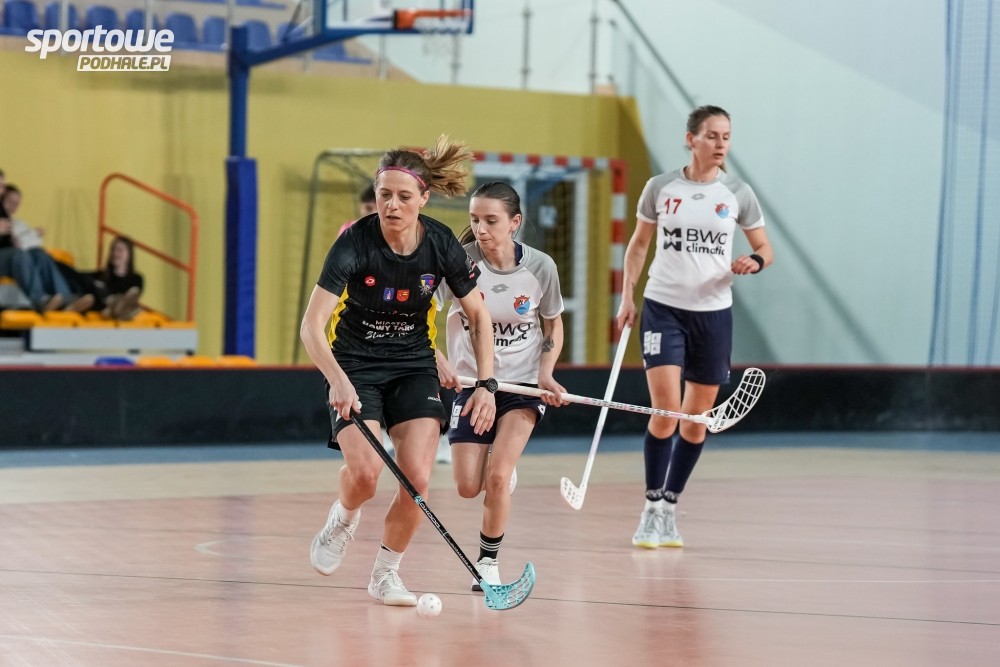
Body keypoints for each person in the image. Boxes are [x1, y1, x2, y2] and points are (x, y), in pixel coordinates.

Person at [299, 135, 498, 607]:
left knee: (416, 480)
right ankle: (344, 517)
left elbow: (478, 315)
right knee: (366, 474)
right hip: (355, 365)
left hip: (413, 365)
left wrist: (486, 384)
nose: (392, 205)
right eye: (384, 194)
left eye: (404, 196)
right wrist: (337, 379)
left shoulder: (441, 243)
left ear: (424, 198)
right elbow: (311, 326)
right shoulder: (355, 242)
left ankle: (386, 574)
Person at [615, 105, 774, 549]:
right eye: (712, 135)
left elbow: (765, 247)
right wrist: (627, 296)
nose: (721, 144)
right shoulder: (661, 187)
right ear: (691, 139)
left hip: (713, 314)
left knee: (696, 420)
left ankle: (669, 507)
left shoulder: (738, 193)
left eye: (726, 136)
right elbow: (639, 244)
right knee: (667, 410)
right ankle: (650, 506)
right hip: (663, 307)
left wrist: (754, 260)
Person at [435, 181, 568, 591]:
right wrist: (436, 356)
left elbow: (552, 324)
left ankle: (487, 564)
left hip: (521, 386)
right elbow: (421, 313)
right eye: (475, 219)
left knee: (497, 478)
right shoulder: (459, 264)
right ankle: (498, 472)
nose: (481, 229)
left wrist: (546, 372)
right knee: (466, 486)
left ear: (514, 222)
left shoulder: (541, 267)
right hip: (472, 383)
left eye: (491, 220)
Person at [0, 184, 92, 313]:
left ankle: (65, 298)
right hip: (10, 257)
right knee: (19, 255)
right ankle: (40, 300)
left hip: (11, 256)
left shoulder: (12, 220)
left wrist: (26, 237)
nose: (2, 189)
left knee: (39, 253)